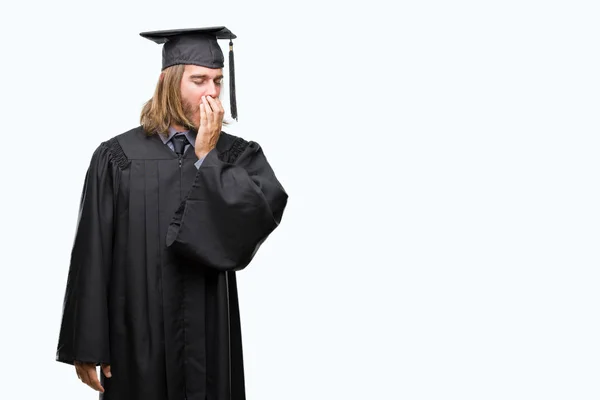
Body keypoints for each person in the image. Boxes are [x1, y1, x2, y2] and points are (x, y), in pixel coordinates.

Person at [55, 26, 288, 400]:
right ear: (168, 81)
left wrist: (206, 156)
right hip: (135, 335)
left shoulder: (235, 155)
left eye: (217, 80)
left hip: (209, 333)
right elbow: (93, 251)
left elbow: (254, 221)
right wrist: (87, 343)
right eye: (199, 80)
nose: (212, 92)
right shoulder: (118, 158)